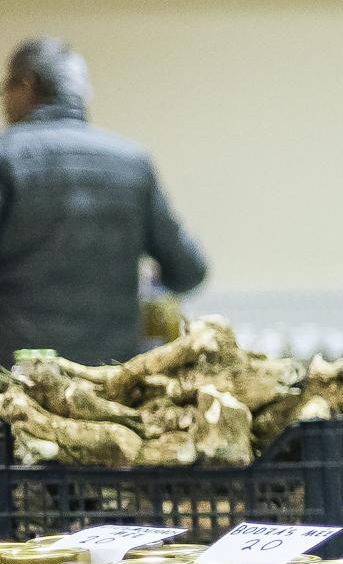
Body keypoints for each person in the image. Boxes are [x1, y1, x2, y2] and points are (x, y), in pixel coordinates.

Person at [0, 38, 208, 364]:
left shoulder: (6, 157)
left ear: (26, 85)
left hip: (17, 378)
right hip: (112, 380)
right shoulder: (132, 163)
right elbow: (189, 271)